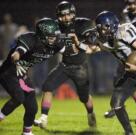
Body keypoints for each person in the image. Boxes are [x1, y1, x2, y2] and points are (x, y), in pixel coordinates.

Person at [34, 1, 98, 129]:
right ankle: (43, 118)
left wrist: (81, 43)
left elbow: (93, 47)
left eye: (68, 14)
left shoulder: (82, 24)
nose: (66, 18)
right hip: (64, 64)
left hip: (80, 67)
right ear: (58, 16)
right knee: (47, 86)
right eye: (62, 15)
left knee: (84, 97)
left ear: (73, 14)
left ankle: (91, 114)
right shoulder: (55, 27)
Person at [0, 18, 67, 135]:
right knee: (18, 98)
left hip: (22, 75)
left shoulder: (57, 42)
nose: (55, 39)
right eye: (51, 36)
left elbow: (70, 49)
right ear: (42, 35)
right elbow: (16, 54)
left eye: (55, 35)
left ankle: (27, 133)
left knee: (32, 107)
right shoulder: (30, 39)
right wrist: (16, 62)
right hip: (8, 73)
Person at [95, 10, 136, 135]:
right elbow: (92, 49)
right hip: (130, 74)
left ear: (110, 25)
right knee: (116, 103)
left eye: (101, 28)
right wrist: (78, 44)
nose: (100, 31)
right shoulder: (105, 40)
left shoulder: (124, 31)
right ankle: (129, 132)